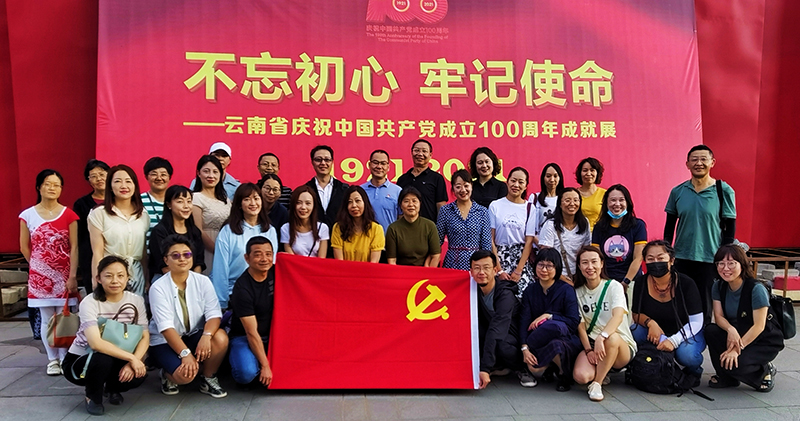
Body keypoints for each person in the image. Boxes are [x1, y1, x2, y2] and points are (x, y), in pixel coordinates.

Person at [61, 257, 149, 416]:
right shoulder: (90, 302)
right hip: (82, 359)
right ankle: (93, 396)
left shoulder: (136, 300)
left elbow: (144, 336)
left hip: (119, 354)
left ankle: (112, 388)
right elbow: (96, 344)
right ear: (98, 279)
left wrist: (134, 361)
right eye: (108, 276)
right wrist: (132, 358)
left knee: (138, 374)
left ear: (127, 278)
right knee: (103, 359)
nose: (115, 280)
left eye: (120, 275)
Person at [149, 235, 228, 398]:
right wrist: (185, 354)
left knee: (220, 337)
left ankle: (208, 378)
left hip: (193, 334)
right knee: (185, 376)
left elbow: (214, 314)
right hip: (165, 341)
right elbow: (166, 328)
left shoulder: (203, 281)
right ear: (166, 260)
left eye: (187, 254)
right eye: (175, 255)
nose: (182, 259)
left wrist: (206, 336)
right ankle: (166, 375)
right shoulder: (158, 288)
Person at [665, 144, 736, 325]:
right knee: (680, 300)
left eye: (704, 159)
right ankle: (681, 337)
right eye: (694, 159)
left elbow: (730, 226)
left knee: (705, 304)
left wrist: (725, 255)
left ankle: (701, 337)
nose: (699, 163)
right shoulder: (678, 191)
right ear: (687, 164)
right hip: (682, 256)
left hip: (709, 257)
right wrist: (667, 252)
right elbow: (670, 226)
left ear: (712, 162)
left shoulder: (723, 190)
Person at [19, 169, 80, 375]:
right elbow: (24, 246)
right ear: (39, 187)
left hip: (64, 275)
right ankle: (52, 360)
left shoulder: (69, 214)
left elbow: (74, 247)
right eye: (48, 184)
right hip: (40, 278)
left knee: (64, 317)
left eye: (56, 185)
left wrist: (72, 275)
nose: (52, 188)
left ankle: (64, 357)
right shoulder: (27, 215)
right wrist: (38, 267)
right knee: (46, 318)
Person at [707, 244, 783, 392]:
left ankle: (764, 371)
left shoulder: (756, 289)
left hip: (762, 339)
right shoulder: (718, 286)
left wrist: (736, 350)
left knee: (737, 364)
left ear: (742, 265)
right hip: (738, 332)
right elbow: (718, 316)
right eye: (721, 263)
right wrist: (731, 330)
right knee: (711, 330)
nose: (725, 268)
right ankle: (726, 377)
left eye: (731, 263)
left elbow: (759, 326)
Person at [630, 240, 705, 379]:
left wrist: (674, 340)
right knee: (634, 331)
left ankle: (693, 372)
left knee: (688, 355)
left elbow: (696, 321)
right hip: (656, 331)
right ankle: (648, 364)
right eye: (650, 259)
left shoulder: (686, 283)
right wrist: (651, 323)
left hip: (686, 330)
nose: (655, 262)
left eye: (661, 258)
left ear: (671, 260)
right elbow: (636, 314)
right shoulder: (641, 282)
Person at [572, 246, 636, 402]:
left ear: (601, 263)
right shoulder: (577, 292)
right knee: (581, 377)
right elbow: (581, 326)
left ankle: (597, 383)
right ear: (579, 266)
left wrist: (602, 336)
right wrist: (588, 349)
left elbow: (618, 316)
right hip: (593, 344)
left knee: (611, 338)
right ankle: (604, 370)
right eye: (585, 263)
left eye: (594, 262)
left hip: (619, 345)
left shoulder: (614, 286)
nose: (590, 267)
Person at [519, 248, 581, 391]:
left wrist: (549, 316)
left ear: (557, 267)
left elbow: (573, 321)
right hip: (538, 339)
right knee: (534, 368)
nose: (544, 270)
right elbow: (524, 321)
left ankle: (563, 374)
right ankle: (551, 367)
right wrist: (524, 348)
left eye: (549, 266)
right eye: (541, 265)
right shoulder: (530, 290)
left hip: (565, 338)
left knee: (555, 339)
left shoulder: (566, 290)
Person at [212, 183, 278, 309]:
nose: (253, 203)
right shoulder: (228, 231)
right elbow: (220, 268)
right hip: (235, 292)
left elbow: (271, 263)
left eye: (256, 198)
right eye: (247, 199)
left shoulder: (270, 230)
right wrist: (222, 302)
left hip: (263, 294)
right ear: (239, 204)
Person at [88, 164, 150, 295]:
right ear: (110, 186)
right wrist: (96, 279)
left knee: (136, 307)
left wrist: (146, 277)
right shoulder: (99, 213)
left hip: (136, 273)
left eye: (128, 181)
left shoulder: (143, 214)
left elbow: (143, 251)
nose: (124, 186)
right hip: (111, 273)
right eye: (117, 181)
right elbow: (97, 252)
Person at [471, 250, 526, 389]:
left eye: (486, 268)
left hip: (514, 339)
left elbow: (497, 329)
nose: (481, 272)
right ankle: (499, 366)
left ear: (495, 270)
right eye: (476, 268)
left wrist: (485, 368)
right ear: (471, 272)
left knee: (501, 344)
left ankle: (521, 368)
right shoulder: (473, 291)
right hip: (493, 332)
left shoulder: (505, 295)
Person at [229, 237, 276, 387]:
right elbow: (251, 332)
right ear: (247, 258)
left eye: (268, 254)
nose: (264, 259)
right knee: (246, 374)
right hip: (245, 336)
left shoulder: (277, 272)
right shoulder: (242, 289)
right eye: (257, 254)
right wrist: (265, 366)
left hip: (274, 335)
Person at [489, 167, 535, 298]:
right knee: (500, 298)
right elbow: (491, 239)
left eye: (521, 182)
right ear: (507, 181)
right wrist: (499, 269)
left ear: (526, 186)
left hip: (521, 259)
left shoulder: (530, 208)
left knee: (525, 298)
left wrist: (519, 270)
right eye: (513, 181)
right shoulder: (495, 205)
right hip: (499, 257)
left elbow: (529, 241)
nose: (516, 185)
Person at [591, 184, 647, 286]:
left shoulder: (638, 225)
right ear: (606, 203)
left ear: (627, 203)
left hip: (631, 281)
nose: (617, 204)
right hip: (606, 282)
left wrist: (626, 282)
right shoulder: (599, 227)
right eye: (613, 200)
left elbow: (638, 258)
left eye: (621, 200)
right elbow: (597, 258)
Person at [436, 169, 491, 271]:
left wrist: (485, 266)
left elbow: (486, 244)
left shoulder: (482, 211)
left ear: (471, 186)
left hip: (476, 264)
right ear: (453, 189)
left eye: (466, 186)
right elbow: (437, 241)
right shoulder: (446, 210)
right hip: (452, 263)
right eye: (458, 187)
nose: (463, 190)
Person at [149, 185, 205, 280]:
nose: (186, 206)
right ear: (169, 205)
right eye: (180, 201)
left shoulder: (195, 231)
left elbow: (199, 262)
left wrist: (193, 282)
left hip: (191, 279)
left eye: (189, 201)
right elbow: (163, 265)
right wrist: (181, 282)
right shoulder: (159, 231)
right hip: (165, 279)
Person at [539, 188, 591, 283]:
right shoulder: (550, 225)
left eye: (576, 200)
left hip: (580, 276)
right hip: (556, 277)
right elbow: (545, 257)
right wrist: (563, 278)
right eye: (567, 200)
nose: (572, 203)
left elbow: (587, 250)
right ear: (559, 203)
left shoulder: (584, 223)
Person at [191, 155, 231, 277]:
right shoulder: (195, 198)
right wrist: (217, 250)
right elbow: (198, 230)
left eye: (215, 172)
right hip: (206, 249)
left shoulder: (226, 200)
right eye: (206, 171)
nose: (211, 176)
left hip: (227, 249)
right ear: (199, 173)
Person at [74, 159, 109, 291]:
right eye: (93, 176)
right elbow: (79, 234)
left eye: (102, 174)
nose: (99, 179)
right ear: (88, 181)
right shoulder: (81, 204)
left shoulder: (120, 200)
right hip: (90, 255)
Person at [386, 187, 441, 266]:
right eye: (406, 201)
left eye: (414, 201)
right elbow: (392, 260)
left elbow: (435, 256)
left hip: (424, 271)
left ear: (420, 204)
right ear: (400, 205)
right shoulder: (393, 228)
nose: (411, 204)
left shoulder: (429, 226)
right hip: (401, 271)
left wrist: (428, 272)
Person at [397, 139, 448, 222]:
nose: (420, 154)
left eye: (424, 151)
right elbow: (399, 208)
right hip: (406, 227)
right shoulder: (402, 179)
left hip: (429, 227)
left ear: (430, 155)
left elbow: (441, 207)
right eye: (417, 150)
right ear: (411, 153)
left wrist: (439, 228)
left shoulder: (437, 178)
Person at [331, 186, 385, 263]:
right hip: (344, 270)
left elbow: (374, 262)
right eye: (350, 202)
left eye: (357, 201)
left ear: (365, 203)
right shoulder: (338, 227)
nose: (354, 205)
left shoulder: (376, 229)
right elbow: (339, 262)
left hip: (368, 270)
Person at [303, 145, 349, 233]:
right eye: (318, 160)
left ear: (332, 162)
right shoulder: (305, 190)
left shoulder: (344, 189)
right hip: (313, 237)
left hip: (339, 237)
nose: (323, 163)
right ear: (312, 162)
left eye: (327, 160)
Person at [281, 185, 330, 258]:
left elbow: (321, 259)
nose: (303, 207)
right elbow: (291, 259)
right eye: (298, 203)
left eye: (308, 203)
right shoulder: (285, 229)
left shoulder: (322, 228)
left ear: (313, 205)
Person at [361, 149, 402, 233]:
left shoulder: (397, 191)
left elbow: (401, 219)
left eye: (383, 163)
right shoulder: (360, 191)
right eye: (375, 162)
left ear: (388, 167)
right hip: (365, 238)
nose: (379, 166)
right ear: (369, 165)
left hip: (389, 239)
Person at [525, 163, 564, 243]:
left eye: (555, 176)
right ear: (543, 178)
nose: (552, 180)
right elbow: (530, 226)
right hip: (539, 244)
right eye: (548, 176)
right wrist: (540, 244)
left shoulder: (564, 198)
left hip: (559, 244)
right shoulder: (535, 198)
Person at [140, 157, 172, 248]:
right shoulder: (138, 201)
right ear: (146, 177)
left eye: (163, 174)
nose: (159, 178)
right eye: (154, 174)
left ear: (169, 177)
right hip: (146, 253)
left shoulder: (176, 201)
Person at [575, 157, 606, 230]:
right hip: (578, 234)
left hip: (599, 233)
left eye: (592, 170)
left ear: (597, 173)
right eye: (585, 170)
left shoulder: (605, 194)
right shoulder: (573, 194)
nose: (588, 174)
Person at [258, 173, 289, 243]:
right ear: (260, 189)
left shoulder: (283, 212)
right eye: (267, 188)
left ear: (280, 193)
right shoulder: (254, 208)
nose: (271, 193)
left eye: (275, 190)